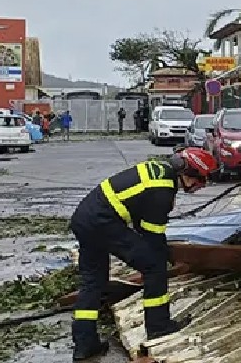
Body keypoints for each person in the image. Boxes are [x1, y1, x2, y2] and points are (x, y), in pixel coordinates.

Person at [69, 148, 216, 360]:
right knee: (154, 268)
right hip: (103, 223)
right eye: (201, 180)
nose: (199, 186)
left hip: (85, 220)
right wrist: (166, 256)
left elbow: (140, 217)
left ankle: (85, 345)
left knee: (93, 282)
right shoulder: (164, 189)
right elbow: (152, 236)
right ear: (191, 173)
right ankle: (159, 326)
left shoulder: (159, 172)